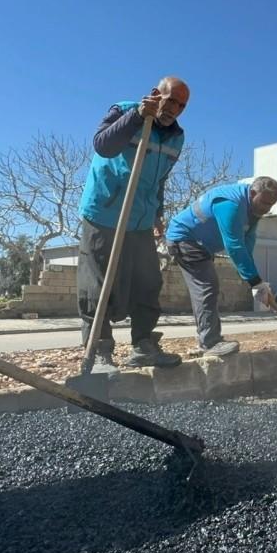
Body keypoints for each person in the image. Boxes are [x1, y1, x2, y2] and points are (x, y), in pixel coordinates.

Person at [76, 77, 189, 371]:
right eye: (170, 99)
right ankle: (99, 352)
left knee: (148, 283)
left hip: (140, 219)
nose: (175, 108)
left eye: (181, 104)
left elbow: (159, 180)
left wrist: (156, 214)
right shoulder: (124, 111)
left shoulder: (177, 137)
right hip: (104, 212)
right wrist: (138, 116)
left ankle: (143, 346)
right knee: (98, 285)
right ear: (155, 94)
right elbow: (103, 146)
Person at [165, 177, 277, 357]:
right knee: (206, 287)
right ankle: (209, 343)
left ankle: (208, 340)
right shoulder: (231, 204)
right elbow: (234, 245)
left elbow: (247, 242)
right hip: (185, 239)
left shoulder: (254, 209)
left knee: (208, 287)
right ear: (252, 193)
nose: (267, 208)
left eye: (271, 205)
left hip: (201, 244)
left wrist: (254, 281)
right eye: (265, 202)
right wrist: (254, 281)